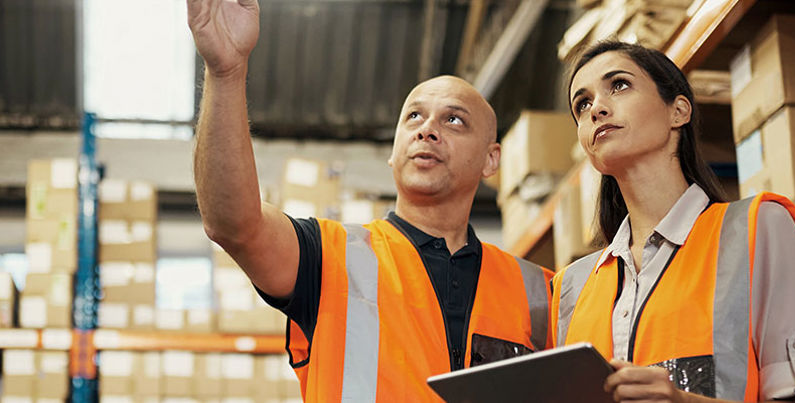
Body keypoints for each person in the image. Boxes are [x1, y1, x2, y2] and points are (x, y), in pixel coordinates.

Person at [186, 0, 554, 401]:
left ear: (490, 159)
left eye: (453, 120)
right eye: (413, 117)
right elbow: (233, 224)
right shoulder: (329, 258)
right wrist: (226, 72)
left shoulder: (539, 293)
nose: (427, 130)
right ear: (393, 153)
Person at [552, 40, 795, 402]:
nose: (597, 108)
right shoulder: (571, 287)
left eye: (618, 85)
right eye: (582, 105)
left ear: (678, 110)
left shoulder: (758, 229)